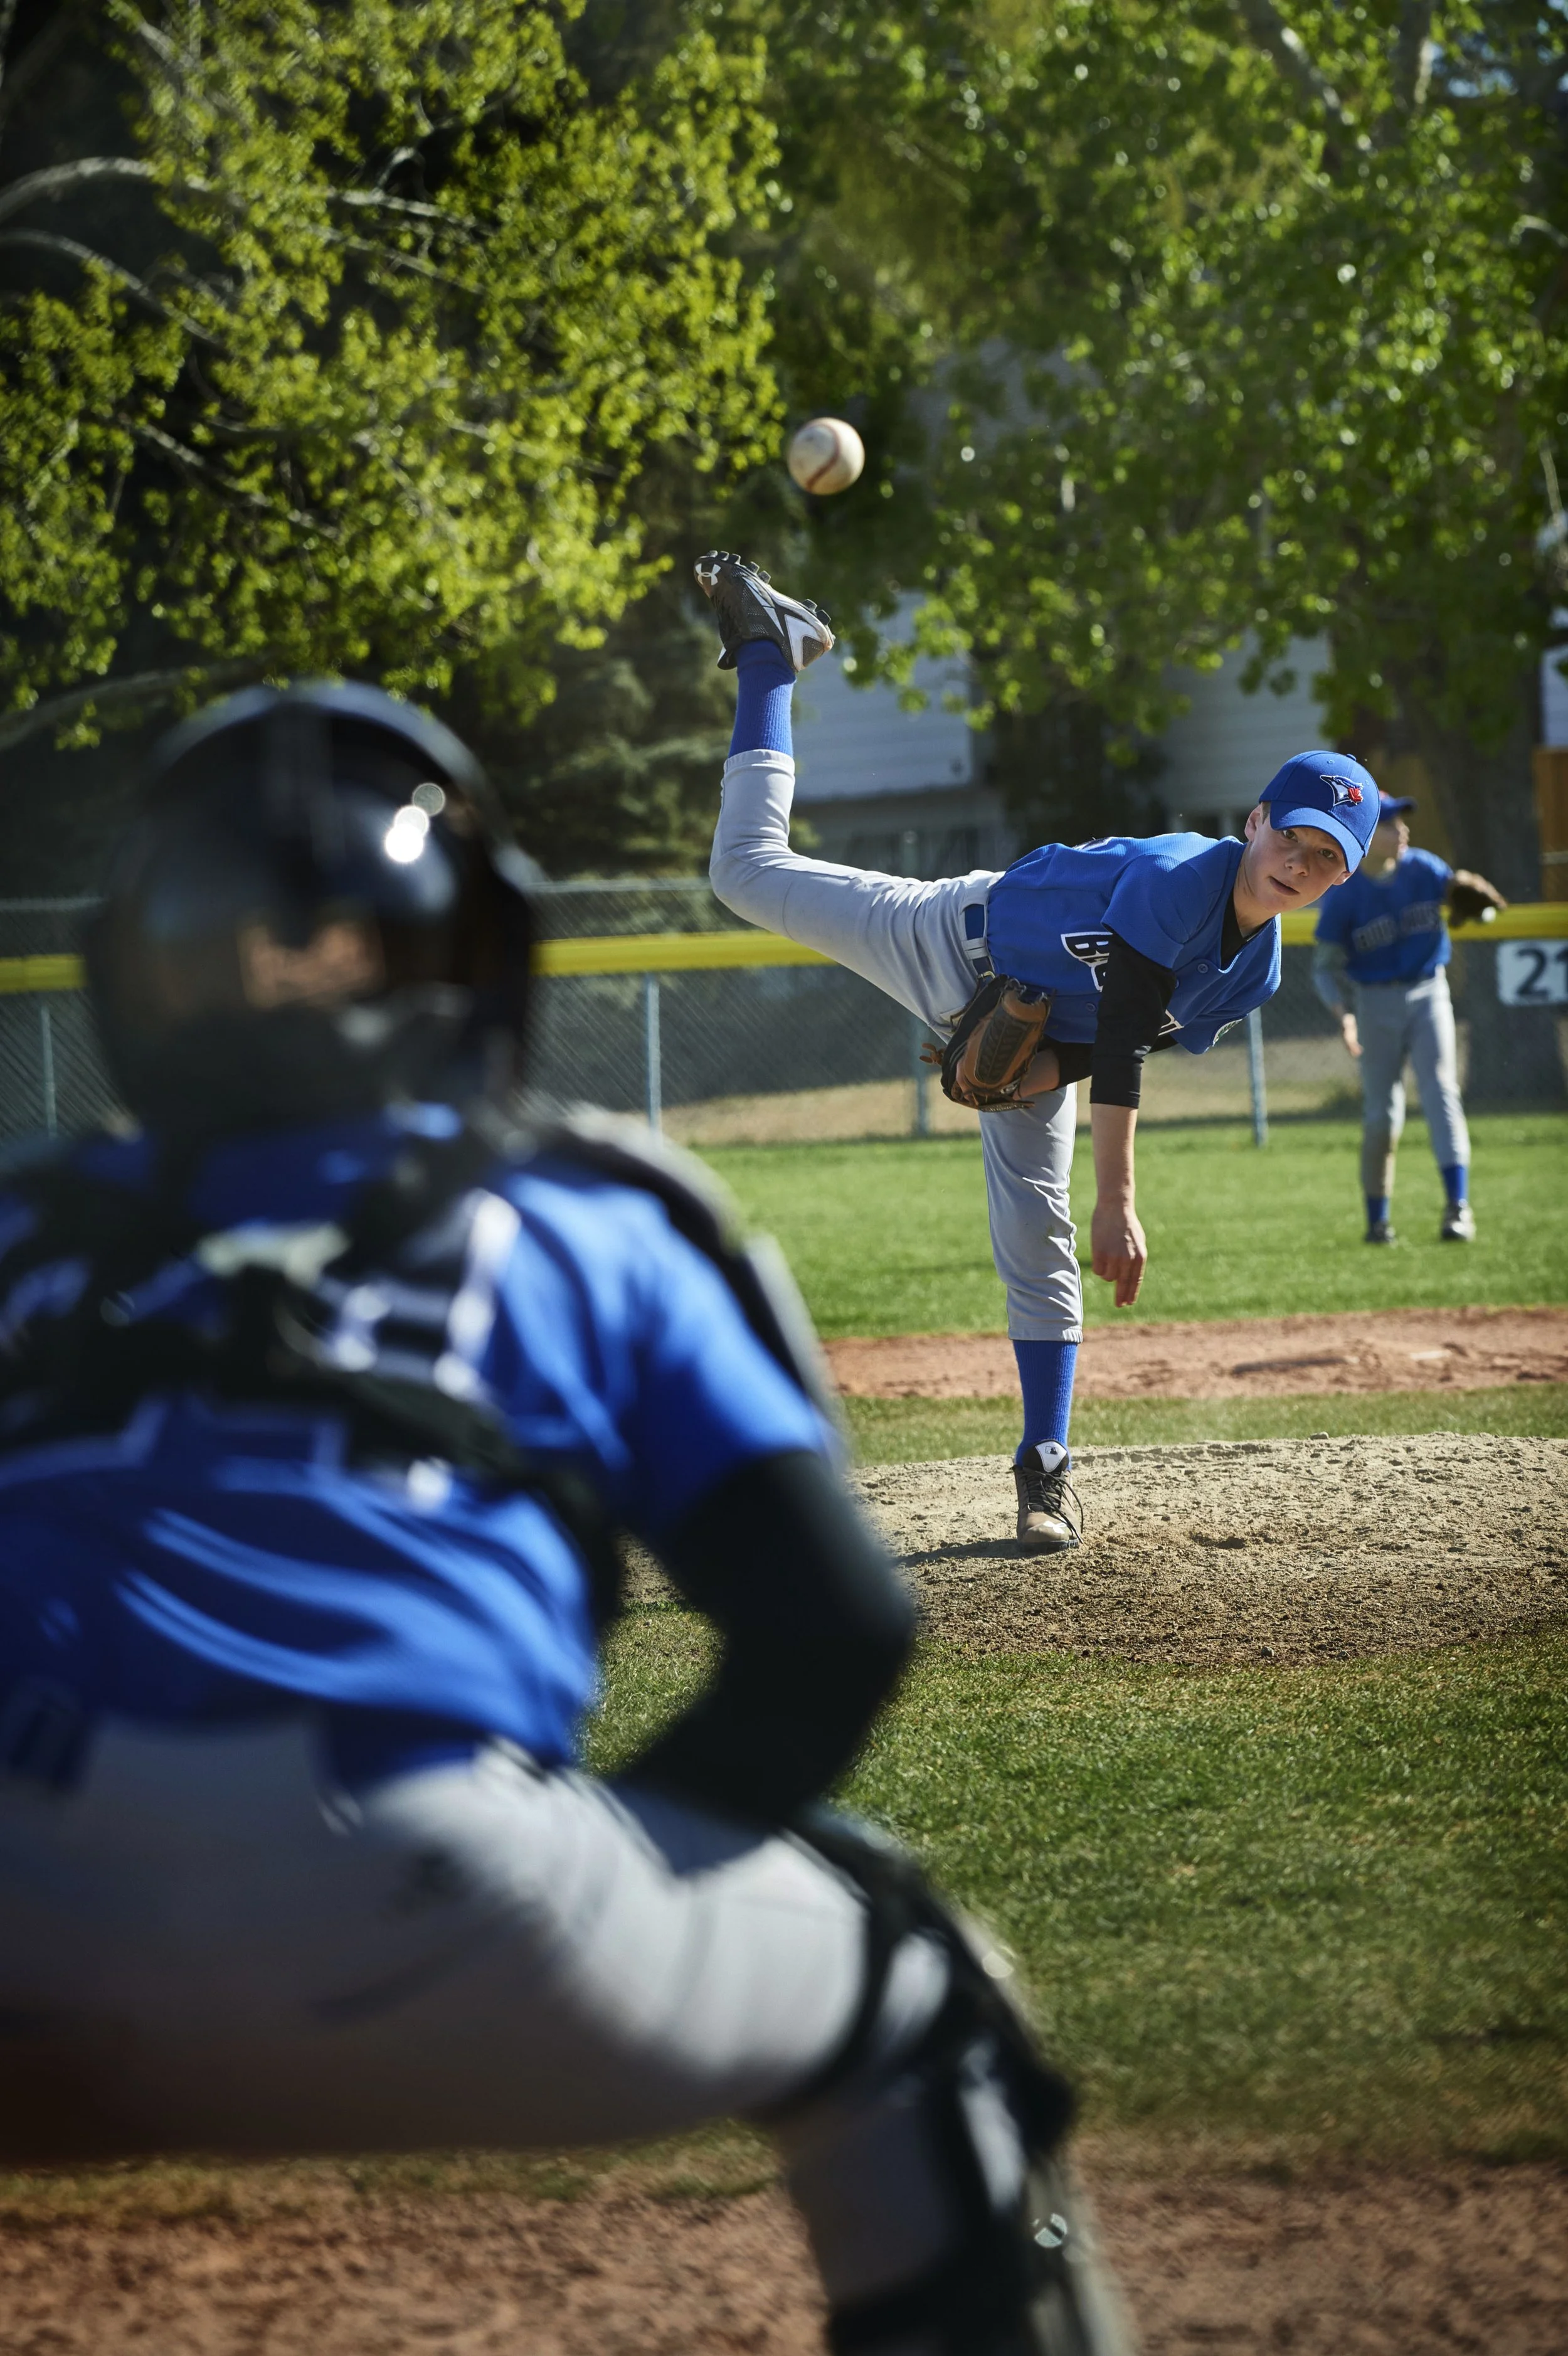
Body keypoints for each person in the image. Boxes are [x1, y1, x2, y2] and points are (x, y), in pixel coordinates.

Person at [0, 682, 1131, 2356]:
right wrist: (580, 1859)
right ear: (482, 956)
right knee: (917, 1988)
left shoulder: (25, 1219)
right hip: (445, 1884)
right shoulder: (584, 1204)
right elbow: (835, 1629)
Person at [696, 549, 1379, 1555]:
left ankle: (1045, 1471)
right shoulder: (1177, 875)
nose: (1301, 864)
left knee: (1037, 1234)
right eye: (1295, 836)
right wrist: (1122, 1197)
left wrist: (1040, 1076)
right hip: (947, 934)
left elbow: (1119, 1043)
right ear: (1255, 821)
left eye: (1327, 861)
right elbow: (1131, 1027)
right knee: (746, 871)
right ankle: (774, 654)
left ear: (1338, 881)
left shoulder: (1257, 973)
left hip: (1045, 1040)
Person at [1312, 787, 1505, 1245]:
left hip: (1427, 992)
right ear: (1362, 833)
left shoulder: (1425, 868)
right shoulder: (1345, 893)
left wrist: (1479, 908)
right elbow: (1322, 968)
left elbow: (1477, 909)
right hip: (1374, 1002)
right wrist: (1343, 1017)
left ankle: (1458, 1208)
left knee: (1441, 1093)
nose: (1401, 830)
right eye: (1388, 823)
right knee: (1382, 1116)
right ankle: (1377, 1222)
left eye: (1401, 822)